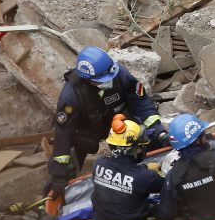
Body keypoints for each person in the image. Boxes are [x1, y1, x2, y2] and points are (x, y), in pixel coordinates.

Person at [48, 46, 166, 199]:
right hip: (88, 130)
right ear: (88, 80)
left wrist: (157, 129)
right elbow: (63, 134)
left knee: (144, 141)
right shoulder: (71, 96)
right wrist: (59, 174)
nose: (109, 81)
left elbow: (141, 102)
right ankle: (56, 199)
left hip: (119, 122)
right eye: (103, 79)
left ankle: (140, 181)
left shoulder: (119, 74)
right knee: (65, 166)